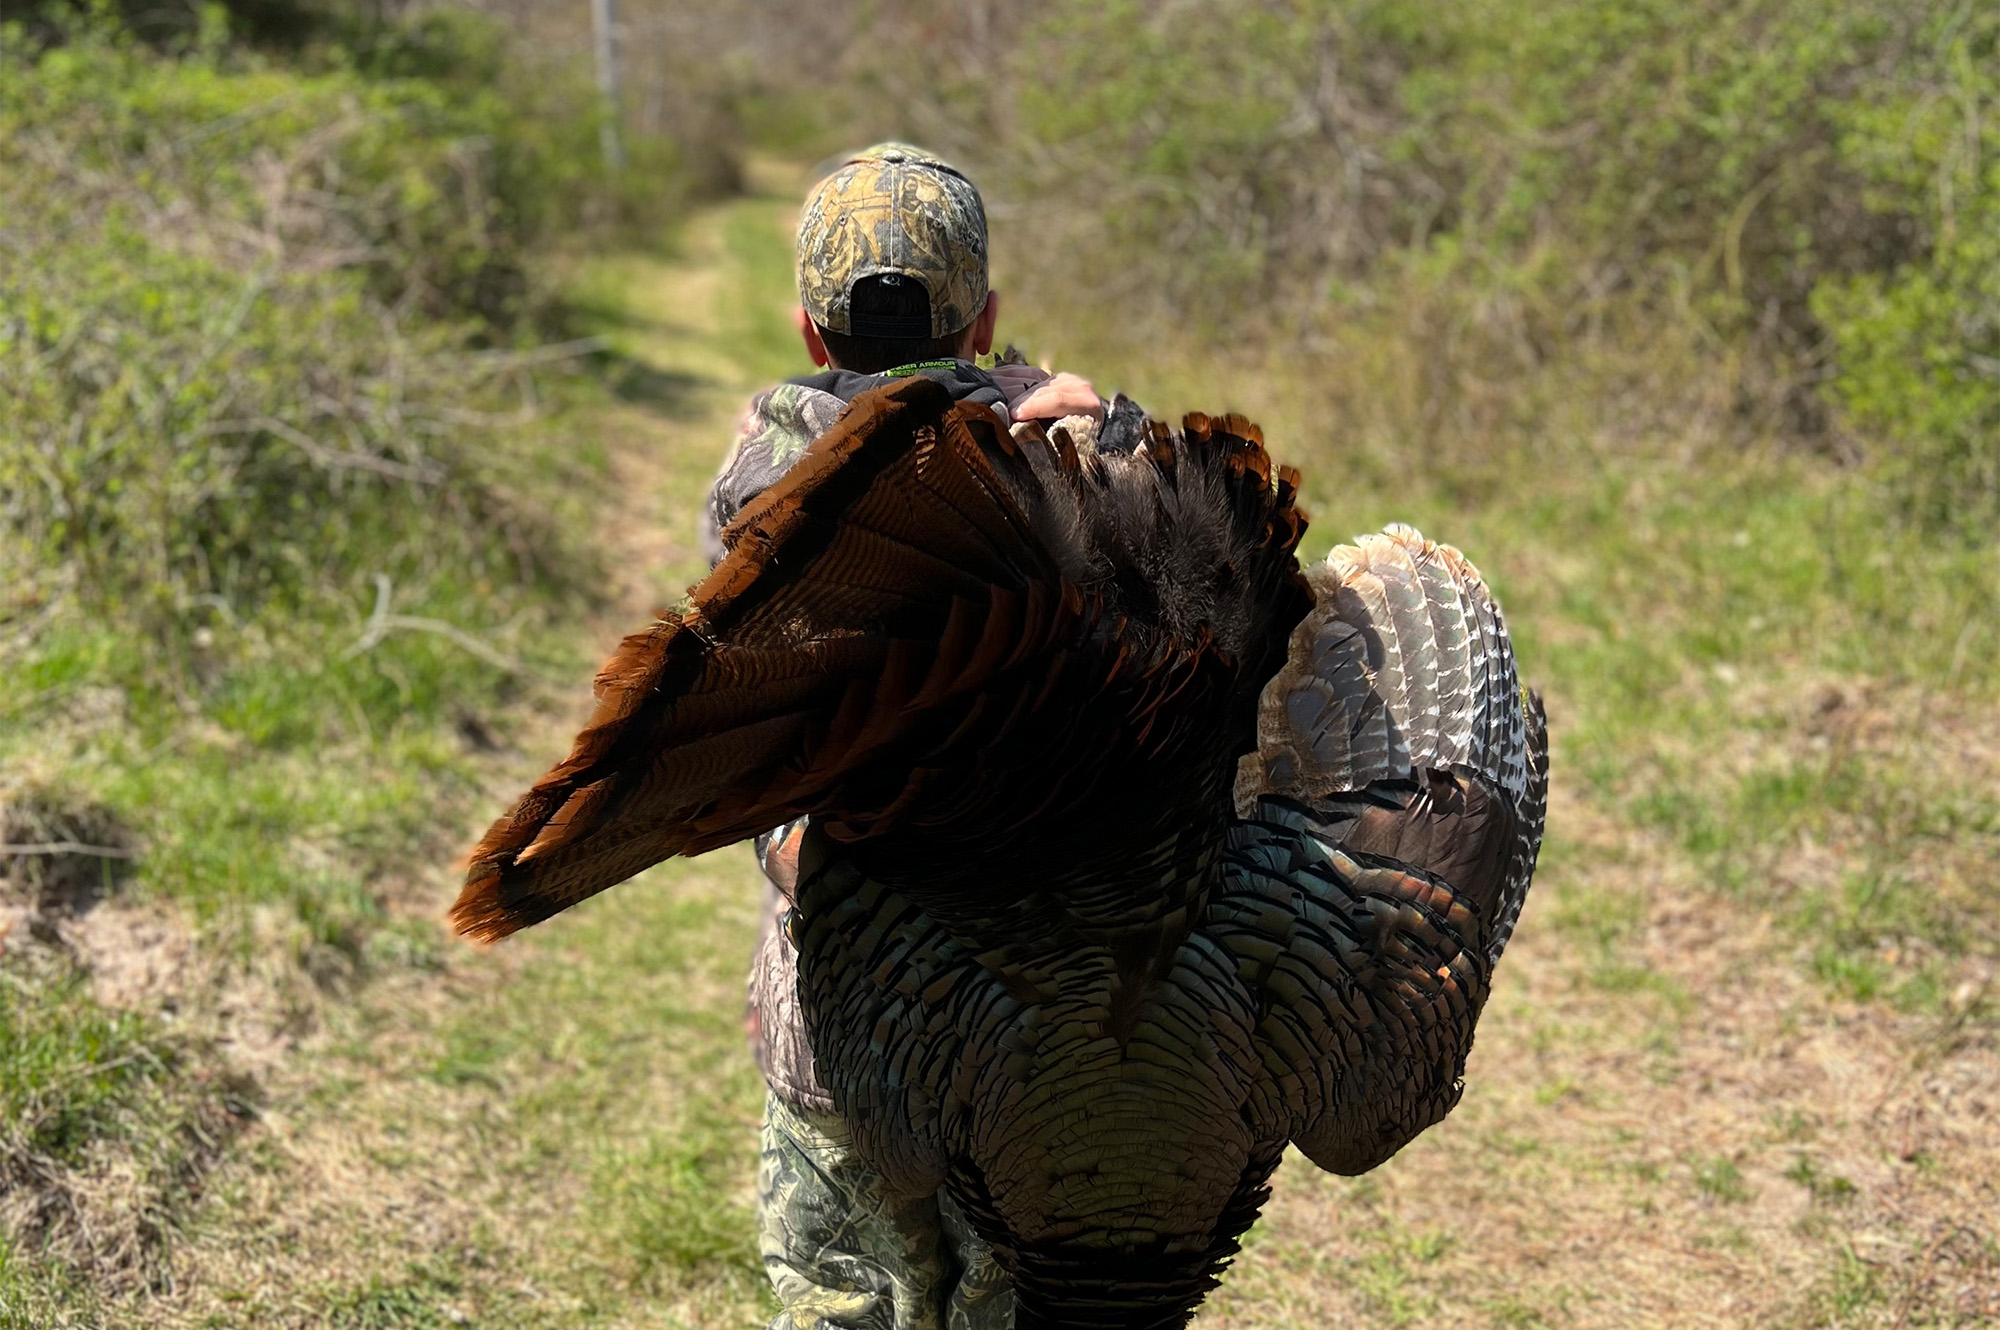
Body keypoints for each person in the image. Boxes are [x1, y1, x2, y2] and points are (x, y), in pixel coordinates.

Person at [700, 143, 1106, 1330]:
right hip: (1029, 1018)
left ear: (809, 333)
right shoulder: (1065, 449)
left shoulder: (762, 475)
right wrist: (1086, 416)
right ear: (985, 315)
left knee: (839, 1299)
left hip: (833, 1006)